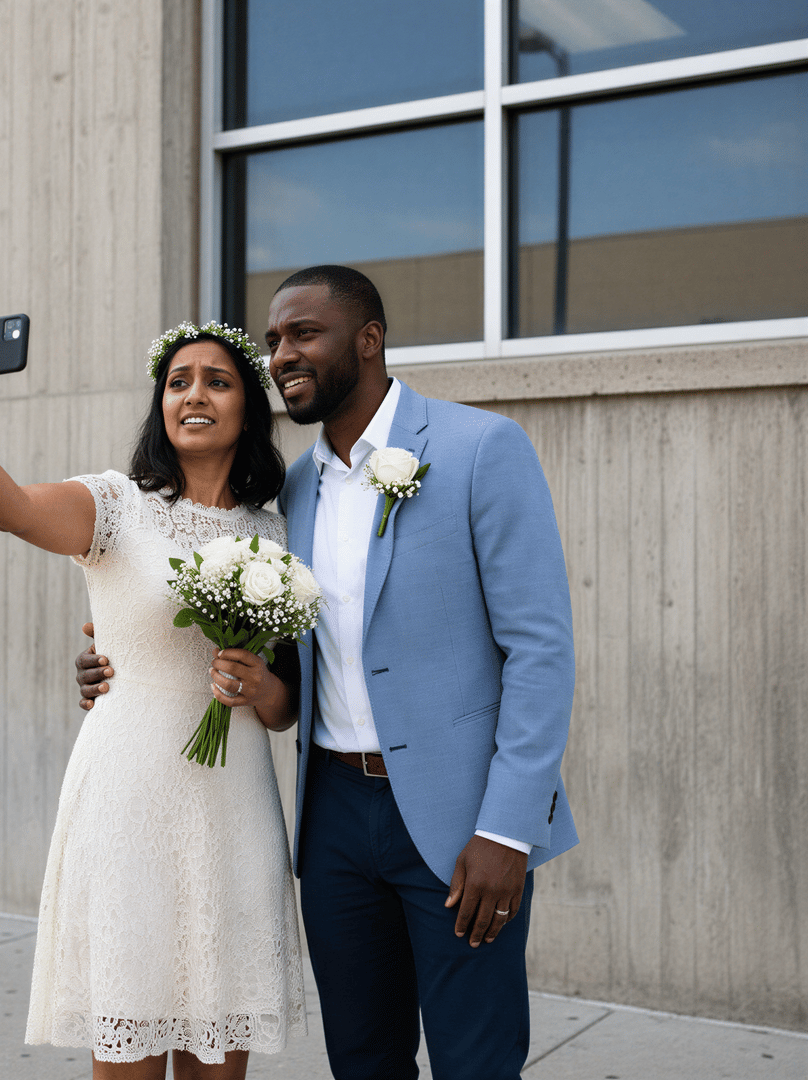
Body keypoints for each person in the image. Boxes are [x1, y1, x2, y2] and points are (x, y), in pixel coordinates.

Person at [79, 265, 577, 1080]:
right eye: (274, 339)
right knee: (362, 1060)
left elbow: (541, 650)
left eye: (303, 334)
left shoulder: (480, 447)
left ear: (369, 341)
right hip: (334, 819)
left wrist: (507, 829)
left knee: (475, 1062)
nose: (282, 355)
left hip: (461, 823)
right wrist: (112, 662)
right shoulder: (287, 496)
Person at [0, 316, 305, 1080]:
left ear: (250, 410)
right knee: (128, 1046)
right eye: (177, 382)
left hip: (234, 809)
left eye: (217, 382)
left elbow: (286, 707)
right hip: (129, 801)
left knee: (217, 1057)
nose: (194, 395)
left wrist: (260, 686)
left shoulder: (276, 531)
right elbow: (12, 509)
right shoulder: (115, 505)